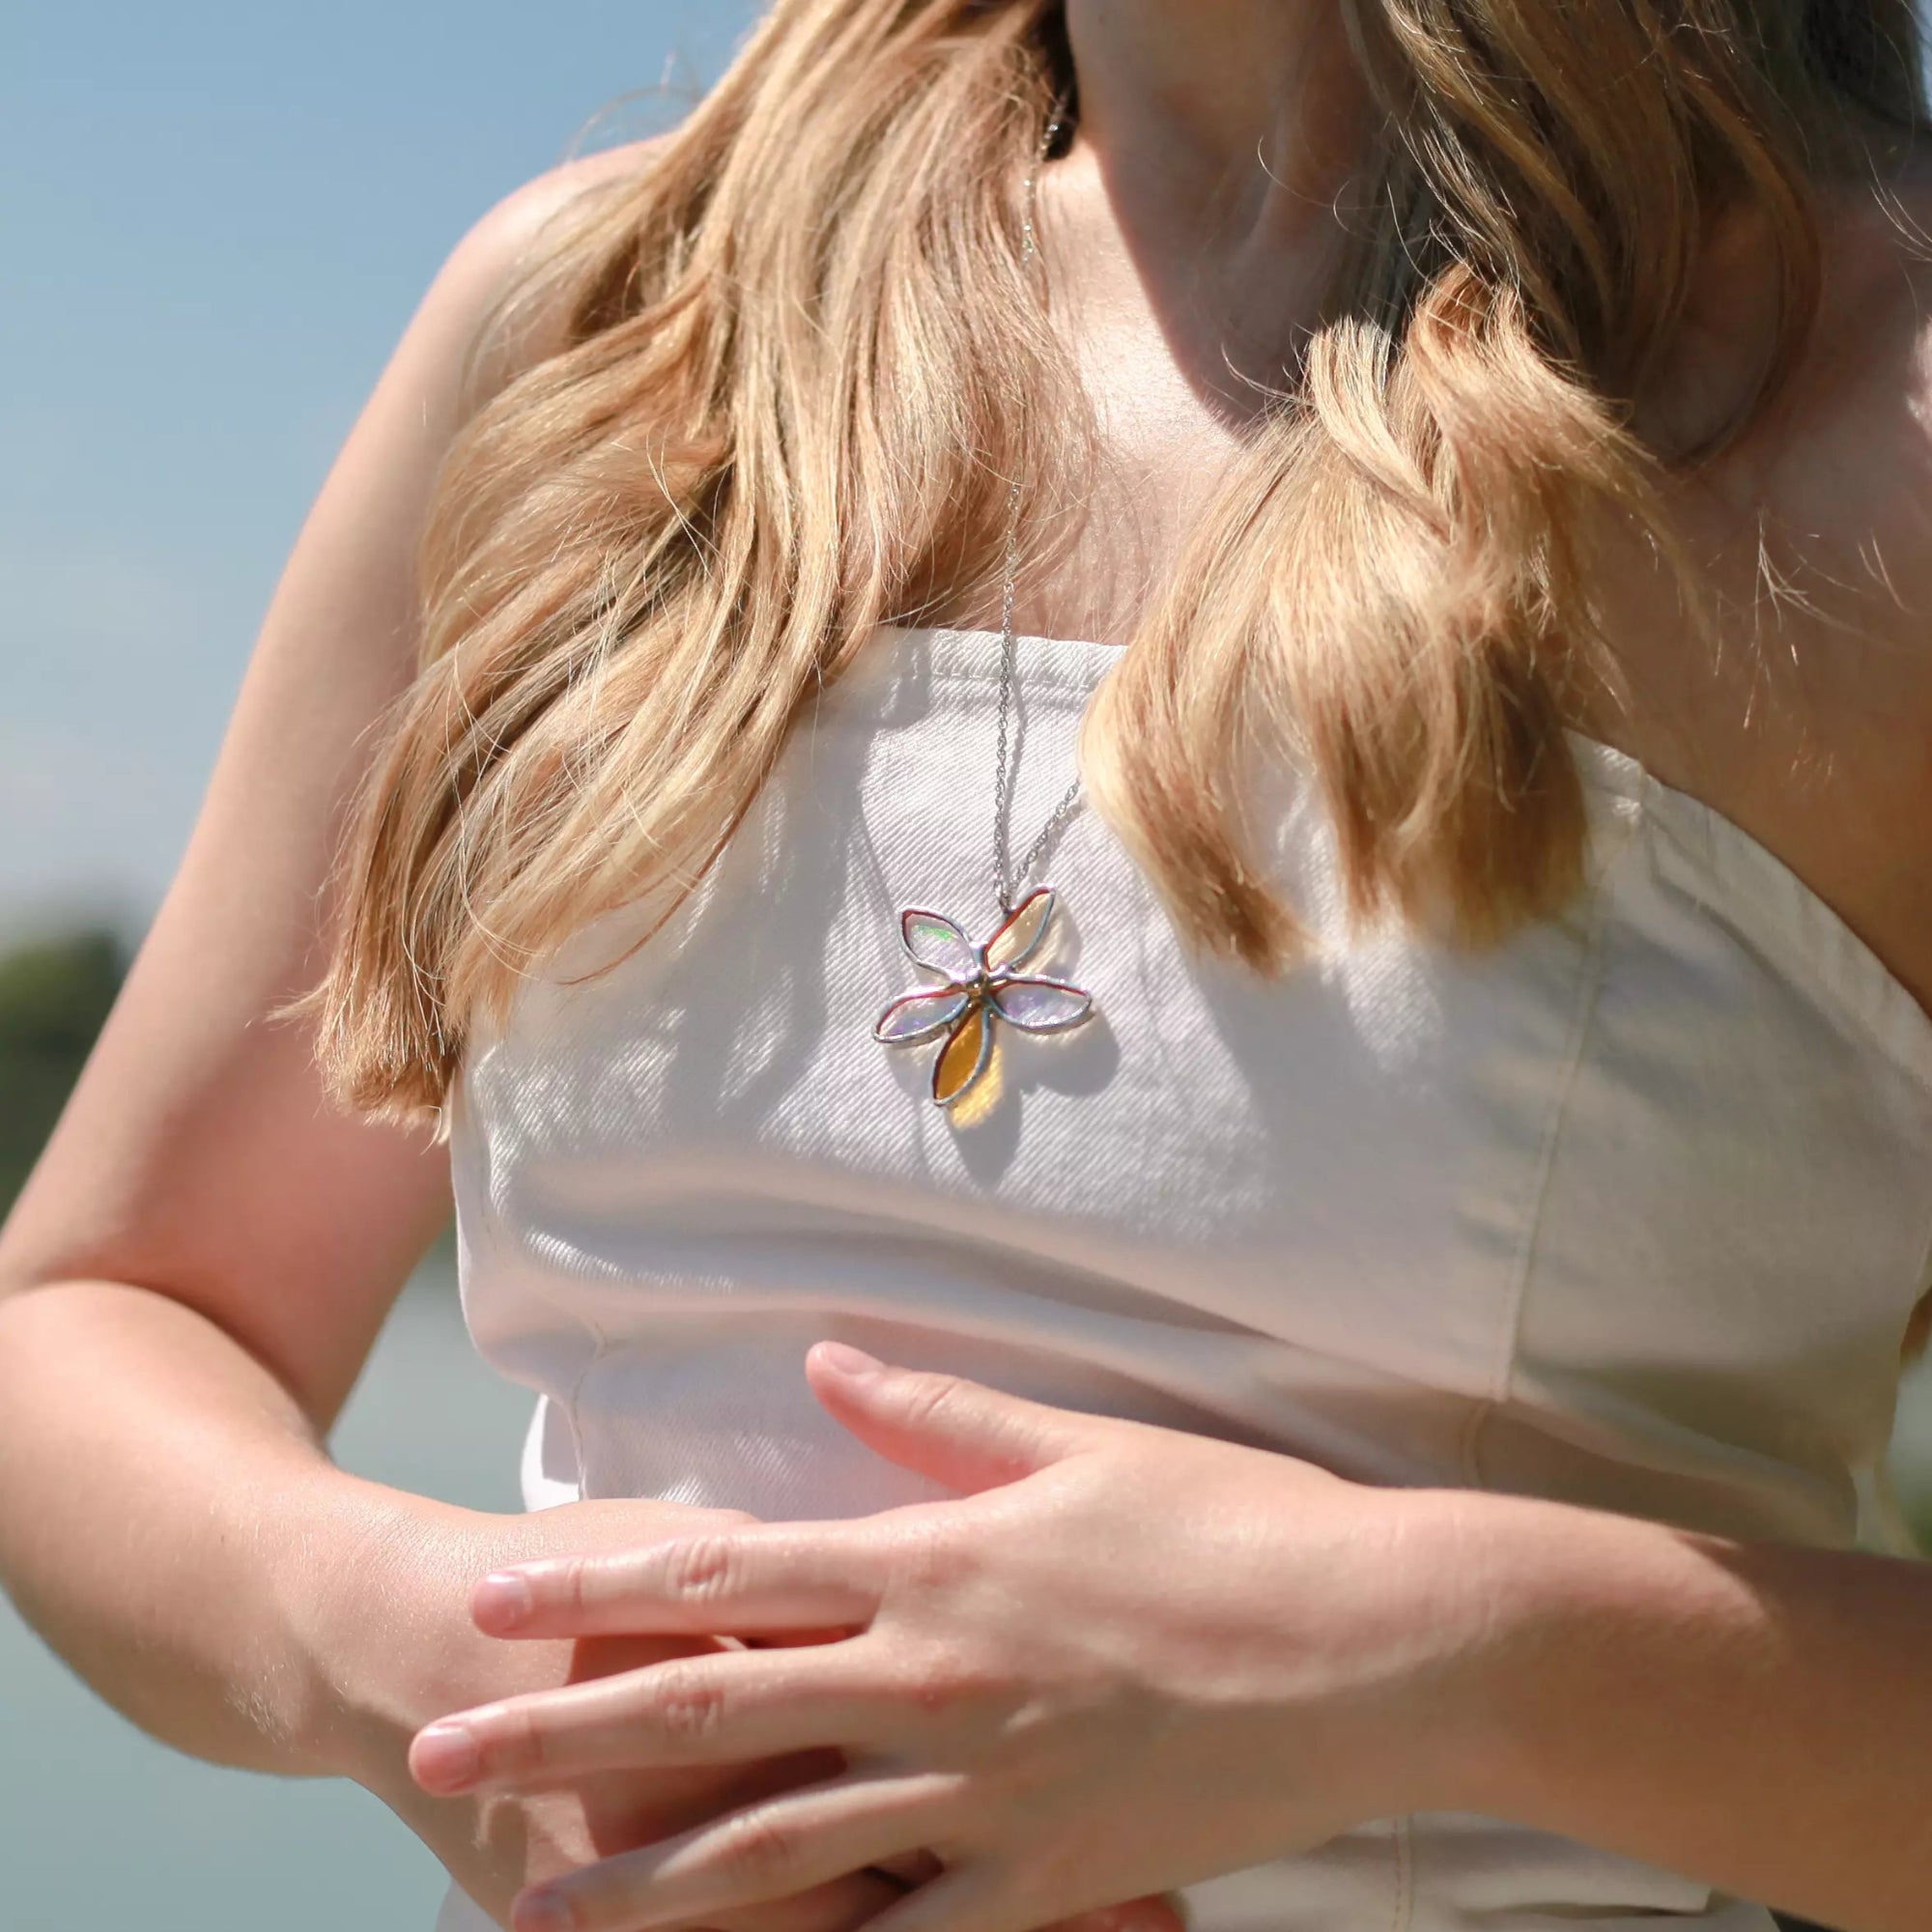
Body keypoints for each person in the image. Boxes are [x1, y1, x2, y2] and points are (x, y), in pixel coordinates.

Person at [3, 1, 1932, 1929]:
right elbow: (100, 1313)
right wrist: (432, 1657)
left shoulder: (1882, 402)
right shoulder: (599, 326)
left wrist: (1422, 1647)